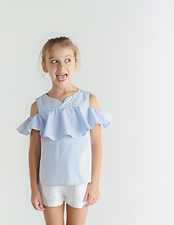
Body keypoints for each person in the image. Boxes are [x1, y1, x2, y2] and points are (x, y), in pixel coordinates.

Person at [17, 36, 112, 225]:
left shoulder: (88, 101)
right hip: (49, 182)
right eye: (54, 61)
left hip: (80, 181)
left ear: (76, 64)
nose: (61, 67)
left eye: (67, 60)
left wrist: (94, 183)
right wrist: (34, 188)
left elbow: (96, 144)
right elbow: (34, 150)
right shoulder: (39, 106)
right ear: (45, 66)